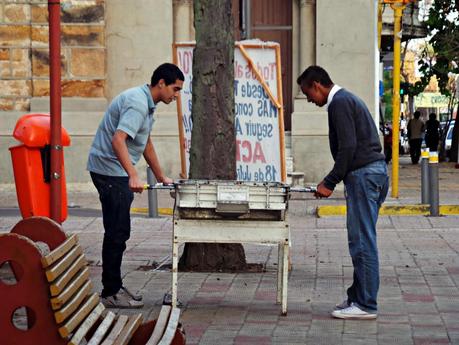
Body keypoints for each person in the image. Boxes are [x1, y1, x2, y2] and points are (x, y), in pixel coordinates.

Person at [87, 63, 184, 308]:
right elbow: (118, 139)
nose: (176, 95)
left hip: (114, 170)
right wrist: (132, 174)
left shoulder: (145, 104)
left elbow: (144, 142)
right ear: (161, 83)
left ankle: (115, 286)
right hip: (109, 171)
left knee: (120, 231)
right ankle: (110, 291)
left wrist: (162, 176)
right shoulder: (138, 103)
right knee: (117, 232)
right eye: (175, 89)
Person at [297, 66, 389, 320]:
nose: (309, 100)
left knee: (362, 241)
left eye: (308, 94)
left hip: (364, 175)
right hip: (372, 173)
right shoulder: (346, 99)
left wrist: (329, 181)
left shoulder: (339, 102)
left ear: (317, 85)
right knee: (361, 238)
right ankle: (357, 297)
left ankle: (366, 304)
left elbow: (348, 147)